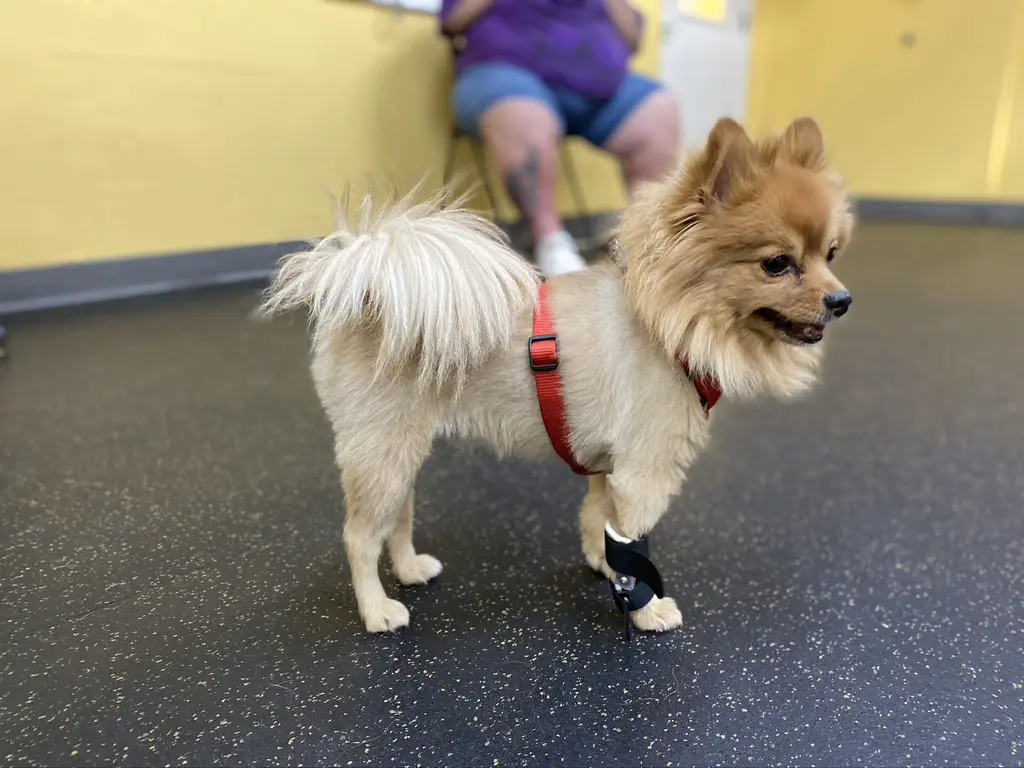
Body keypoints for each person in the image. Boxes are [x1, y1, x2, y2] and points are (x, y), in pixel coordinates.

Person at [440, 0, 680, 276]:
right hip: (503, 72)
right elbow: (452, 21)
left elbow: (634, 39)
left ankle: (640, 244)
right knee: (526, 113)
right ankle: (551, 244)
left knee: (659, 108)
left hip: (597, 87)